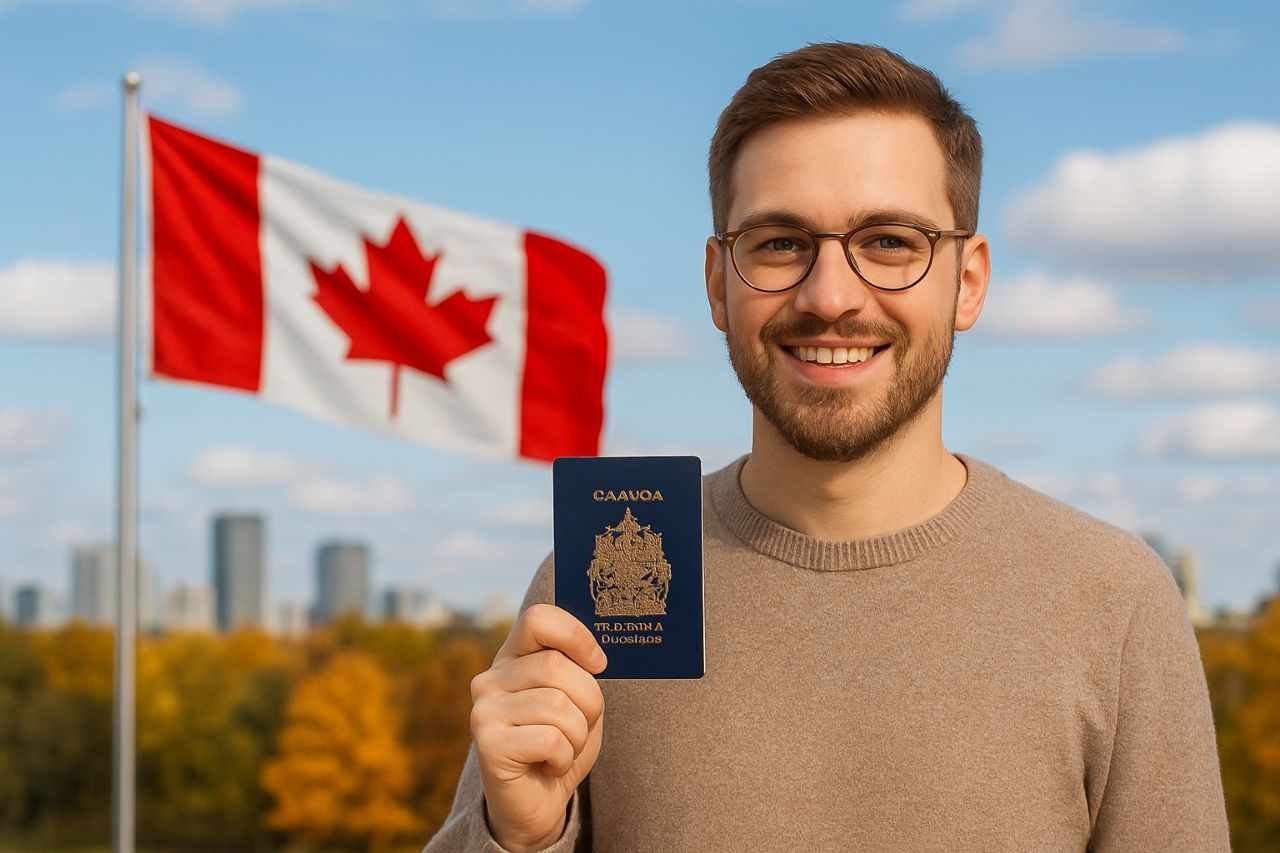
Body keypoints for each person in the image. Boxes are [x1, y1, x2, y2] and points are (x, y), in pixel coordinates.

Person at [424, 42, 1230, 852]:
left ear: (971, 280)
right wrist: (516, 836)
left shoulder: (1113, 601)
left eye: (889, 241)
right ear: (717, 282)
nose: (831, 296)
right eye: (778, 243)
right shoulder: (590, 581)